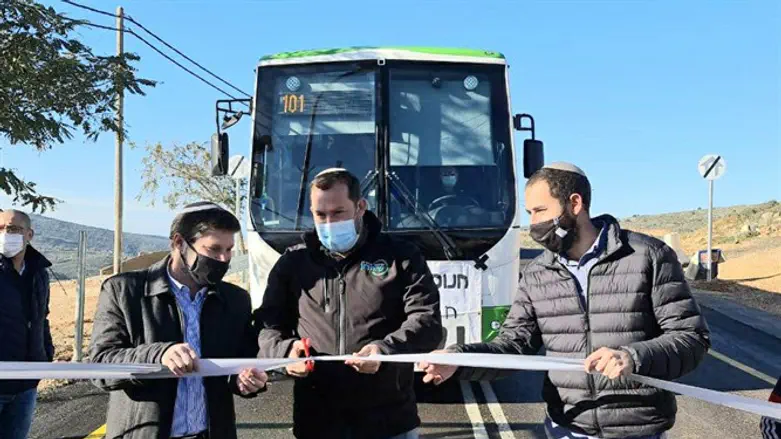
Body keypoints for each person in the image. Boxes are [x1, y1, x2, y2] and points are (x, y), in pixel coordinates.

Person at [420, 162, 711, 439]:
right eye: (529, 213)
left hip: (638, 430)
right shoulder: (536, 275)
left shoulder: (648, 256)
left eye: (540, 210)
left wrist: (632, 357)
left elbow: (691, 338)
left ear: (575, 204)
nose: (533, 224)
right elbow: (512, 346)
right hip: (566, 427)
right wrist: (459, 360)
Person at [256, 168, 443, 439]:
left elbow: (427, 322)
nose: (329, 222)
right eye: (321, 215)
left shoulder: (401, 256)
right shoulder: (293, 263)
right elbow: (267, 324)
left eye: (338, 212)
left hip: (389, 421)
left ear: (360, 207)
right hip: (318, 422)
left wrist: (384, 350)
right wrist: (285, 352)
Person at [89, 202, 268, 439]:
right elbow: (100, 366)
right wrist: (159, 355)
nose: (223, 259)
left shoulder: (236, 300)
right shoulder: (124, 291)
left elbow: (243, 360)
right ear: (178, 242)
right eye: (213, 249)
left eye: (229, 250)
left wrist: (246, 381)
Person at [0, 209, 54, 439]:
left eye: (12, 229)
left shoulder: (38, 272)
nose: (5, 234)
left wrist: (45, 356)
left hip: (26, 385)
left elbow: (42, 318)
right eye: (0, 229)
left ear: (29, 234)